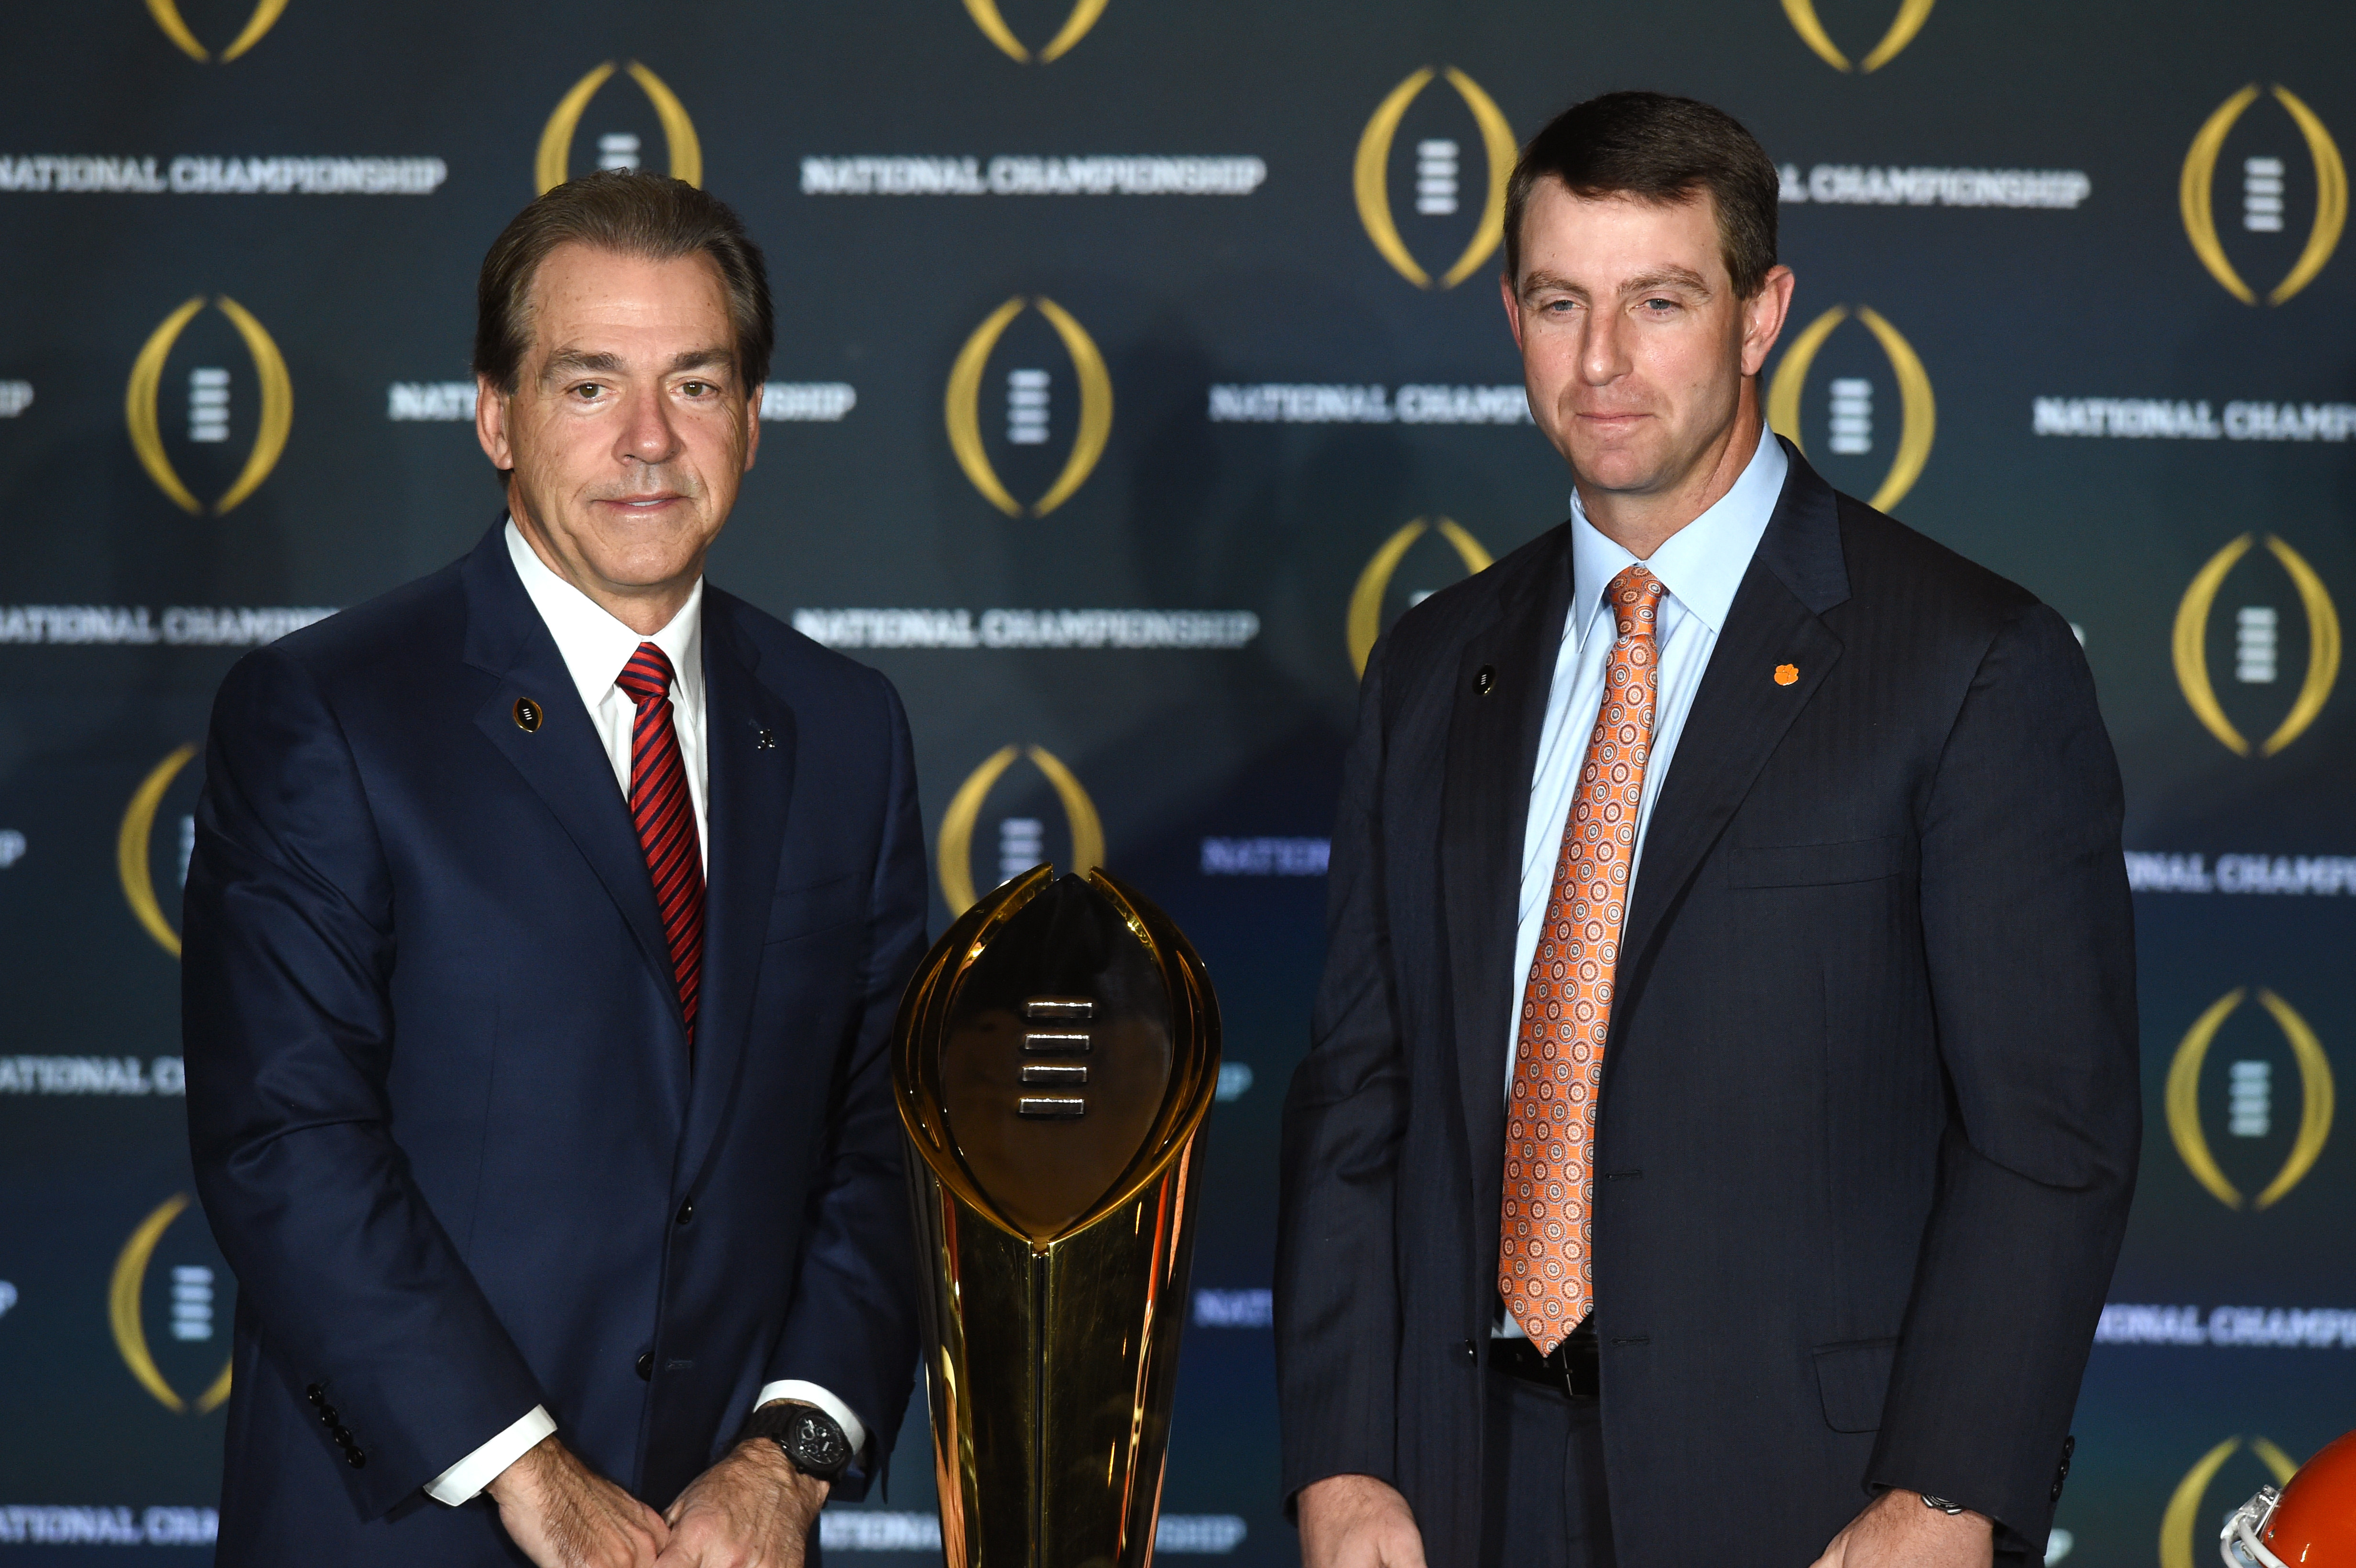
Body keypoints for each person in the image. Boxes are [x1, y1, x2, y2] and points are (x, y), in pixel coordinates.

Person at [1275, 92, 2138, 1568]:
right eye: (1561, 303)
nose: (1602, 361)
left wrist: (1946, 1496)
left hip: (1816, 1504)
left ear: (1761, 316)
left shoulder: (1968, 662)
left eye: (1659, 302)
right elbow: (1362, 1097)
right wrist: (1346, 1464)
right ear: (1514, 316)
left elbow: (2046, 1141)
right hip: (1458, 1491)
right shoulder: (1431, 668)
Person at [183, 171, 927, 1567]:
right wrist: (528, 1469)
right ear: (494, 417)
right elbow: (288, 1139)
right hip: (418, 1526)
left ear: (755, 423)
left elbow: (885, 1139)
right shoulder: (328, 713)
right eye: (590, 386)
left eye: (695, 385)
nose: (650, 440)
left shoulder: (845, 729)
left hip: (730, 1542)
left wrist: (790, 1459)